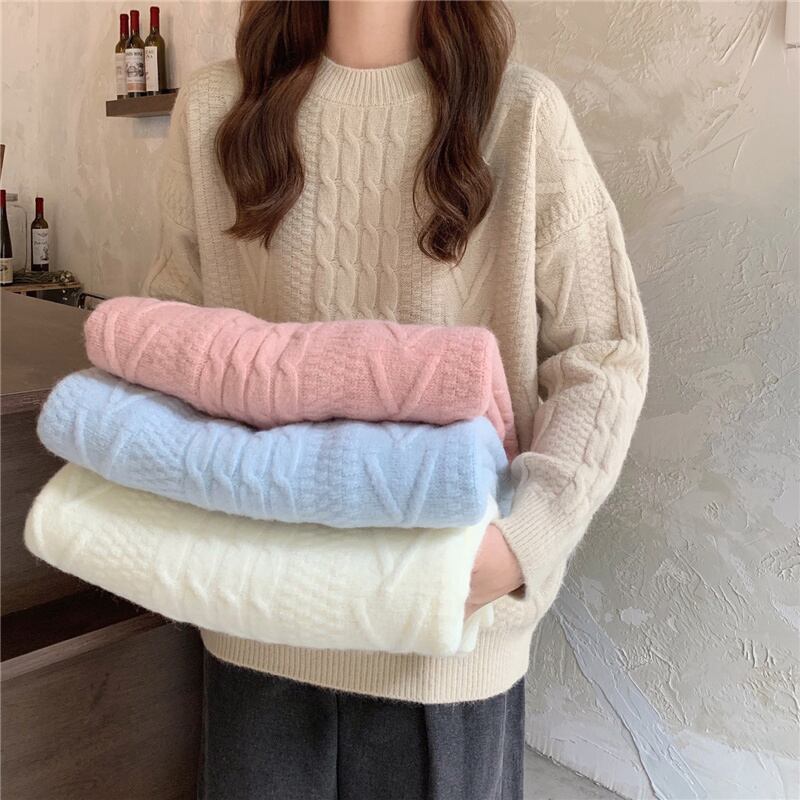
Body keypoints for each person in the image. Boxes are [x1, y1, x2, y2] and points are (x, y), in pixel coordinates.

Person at [141, 1, 650, 797]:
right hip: (258, 624)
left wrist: (518, 544)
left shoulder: (519, 116)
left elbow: (604, 355)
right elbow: (173, 341)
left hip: (447, 640)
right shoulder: (215, 111)